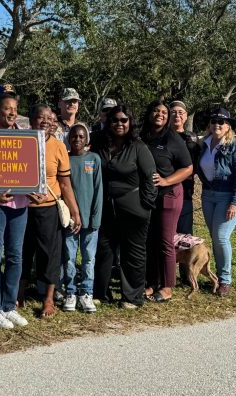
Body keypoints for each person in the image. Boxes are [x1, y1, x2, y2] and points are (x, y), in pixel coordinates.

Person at [0, 93, 42, 329]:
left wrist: (36, 189)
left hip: (19, 205)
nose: (12, 112)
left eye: (15, 108)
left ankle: (9, 306)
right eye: (7, 108)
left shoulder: (27, 137)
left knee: (16, 256)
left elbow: (33, 168)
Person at [91, 105, 157, 308]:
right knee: (104, 250)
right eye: (115, 120)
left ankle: (132, 297)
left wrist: (145, 204)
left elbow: (151, 179)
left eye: (123, 120)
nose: (119, 124)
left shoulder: (138, 147)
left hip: (134, 208)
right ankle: (100, 294)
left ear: (130, 123)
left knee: (133, 253)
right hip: (105, 207)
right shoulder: (100, 144)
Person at [20, 104, 81, 318]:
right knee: (22, 252)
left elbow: (64, 184)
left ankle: (48, 299)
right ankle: (18, 295)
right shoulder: (20, 142)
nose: (45, 121)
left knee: (50, 254)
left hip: (48, 210)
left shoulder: (58, 147)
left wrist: (75, 211)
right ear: (31, 121)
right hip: (21, 208)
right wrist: (24, 192)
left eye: (49, 118)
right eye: (40, 117)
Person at [141, 100, 193, 302]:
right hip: (147, 197)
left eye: (164, 112)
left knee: (165, 242)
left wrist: (165, 181)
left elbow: (187, 168)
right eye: (156, 110)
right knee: (150, 241)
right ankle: (151, 283)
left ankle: (167, 287)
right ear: (149, 113)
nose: (160, 114)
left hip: (169, 196)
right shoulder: (143, 136)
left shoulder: (173, 138)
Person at [196, 108, 236, 297]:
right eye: (214, 121)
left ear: (228, 127)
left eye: (222, 122)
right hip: (209, 195)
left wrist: (234, 203)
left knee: (220, 236)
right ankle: (217, 277)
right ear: (209, 125)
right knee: (215, 237)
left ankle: (225, 280)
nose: (217, 124)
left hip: (228, 196)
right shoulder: (204, 144)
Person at [60, 123, 103, 313]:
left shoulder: (94, 160)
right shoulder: (65, 160)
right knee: (69, 257)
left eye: (81, 136)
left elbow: (98, 191)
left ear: (87, 139)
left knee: (88, 258)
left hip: (90, 221)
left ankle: (86, 292)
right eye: (74, 136)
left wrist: (95, 218)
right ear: (68, 139)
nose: (77, 139)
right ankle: (70, 292)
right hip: (69, 221)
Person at [169, 100, 200, 235]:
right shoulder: (160, 137)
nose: (177, 116)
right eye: (173, 112)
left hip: (185, 193)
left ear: (186, 116)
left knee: (184, 235)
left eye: (180, 113)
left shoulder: (192, 139)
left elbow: (198, 166)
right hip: (164, 193)